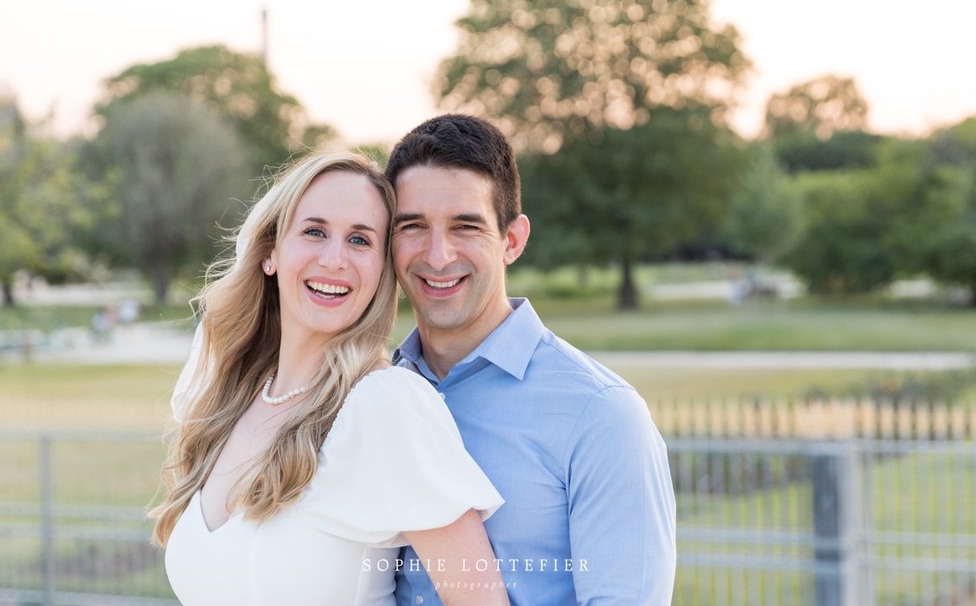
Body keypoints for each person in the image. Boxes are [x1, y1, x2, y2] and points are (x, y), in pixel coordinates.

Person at [152, 152, 510, 606]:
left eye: (360, 241)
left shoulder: (385, 405)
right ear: (270, 253)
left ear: (381, 270)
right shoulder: (228, 396)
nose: (335, 259)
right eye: (315, 231)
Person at [385, 114, 677, 605]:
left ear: (512, 241)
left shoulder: (601, 415)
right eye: (413, 226)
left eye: (466, 227)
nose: (437, 255)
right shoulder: (376, 394)